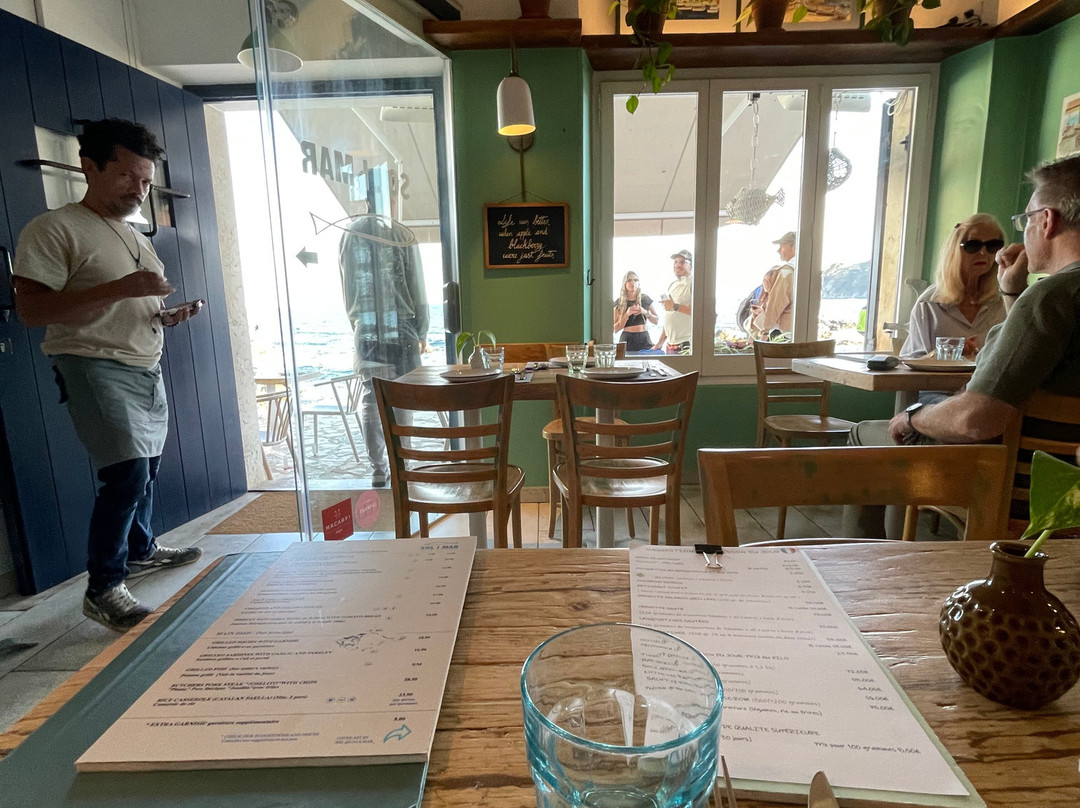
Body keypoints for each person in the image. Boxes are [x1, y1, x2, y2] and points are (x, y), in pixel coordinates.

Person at [12, 118, 204, 631]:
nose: (138, 189)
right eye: (126, 176)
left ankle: (141, 549)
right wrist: (124, 289)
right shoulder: (54, 228)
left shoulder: (132, 233)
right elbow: (31, 310)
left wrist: (165, 315)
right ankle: (103, 587)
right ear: (89, 167)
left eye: (145, 180)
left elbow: (130, 300)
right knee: (126, 474)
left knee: (147, 468)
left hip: (145, 364)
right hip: (91, 362)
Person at [843, 155, 1080, 538]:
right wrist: (1012, 292)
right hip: (1072, 493)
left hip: (1018, 492)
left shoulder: (1052, 298)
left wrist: (913, 417)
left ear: (1047, 221)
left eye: (1025, 221)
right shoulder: (1043, 299)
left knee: (863, 437)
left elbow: (976, 419)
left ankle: (868, 560)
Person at [338, 215, 428, 488]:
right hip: (402, 329)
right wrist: (422, 331)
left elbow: (348, 290)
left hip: (365, 329)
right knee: (403, 399)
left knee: (371, 397)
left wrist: (358, 325)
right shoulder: (402, 234)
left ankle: (378, 469)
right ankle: (404, 464)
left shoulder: (349, 235)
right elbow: (417, 287)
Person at [900, 213, 1007, 362]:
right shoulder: (929, 304)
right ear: (954, 250)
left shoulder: (1005, 301)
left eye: (992, 246)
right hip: (938, 378)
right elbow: (907, 364)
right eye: (973, 245)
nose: (983, 253)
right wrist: (940, 354)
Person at [751, 231, 796, 338]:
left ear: (794, 247)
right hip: (798, 331)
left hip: (784, 334)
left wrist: (765, 331)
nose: (778, 251)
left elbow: (776, 304)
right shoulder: (806, 271)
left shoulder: (786, 272)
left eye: (782, 246)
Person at [655, 249, 693, 355]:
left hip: (686, 343)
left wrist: (675, 306)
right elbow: (670, 315)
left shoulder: (694, 284)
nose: (677, 265)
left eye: (682, 262)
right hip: (670, 344)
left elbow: (699, 312)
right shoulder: (673, 285)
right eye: (675, 262)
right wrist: (659, 343)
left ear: (691, 266)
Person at [613, 270, 660, 353]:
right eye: (629, 280)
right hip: (627, 339)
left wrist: (645, 312)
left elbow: (656, 321)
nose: (633, 283)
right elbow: (615, 329)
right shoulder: (620, 302)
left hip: (644, 337)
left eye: (635, 280)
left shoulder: (645, 299)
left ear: (639, 283)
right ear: (624, 283)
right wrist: (627, 314)